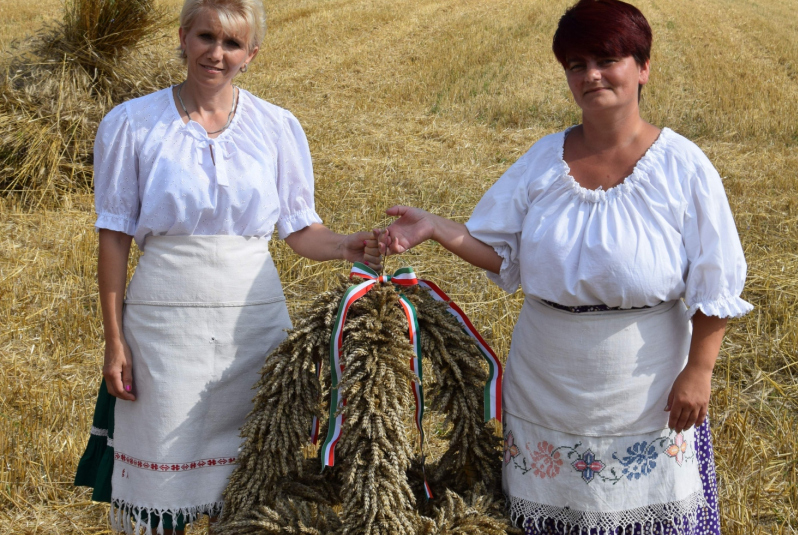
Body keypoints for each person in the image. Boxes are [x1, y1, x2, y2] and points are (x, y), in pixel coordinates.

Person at [378, 0, 751, 533]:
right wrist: (436, 227)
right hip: (546, 380)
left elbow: (716, 280)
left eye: (607, 58)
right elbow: (501, 255)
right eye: (576, 64)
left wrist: (699, 372)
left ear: (643, 67)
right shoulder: (540, 162)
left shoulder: (683, 165)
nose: (591, 75)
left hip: (645, 389)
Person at [73, 0, 380, 533]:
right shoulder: (131, 124)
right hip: (164, 324)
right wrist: (114, 340)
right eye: (206, 37)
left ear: (251, 54)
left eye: (232, 44)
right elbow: (114, 239)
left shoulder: (278, 127)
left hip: (254, 326)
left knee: (250, 486)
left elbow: (301, 231)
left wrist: (348, 245)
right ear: (183, 37)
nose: (216, 53)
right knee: (158, 485)